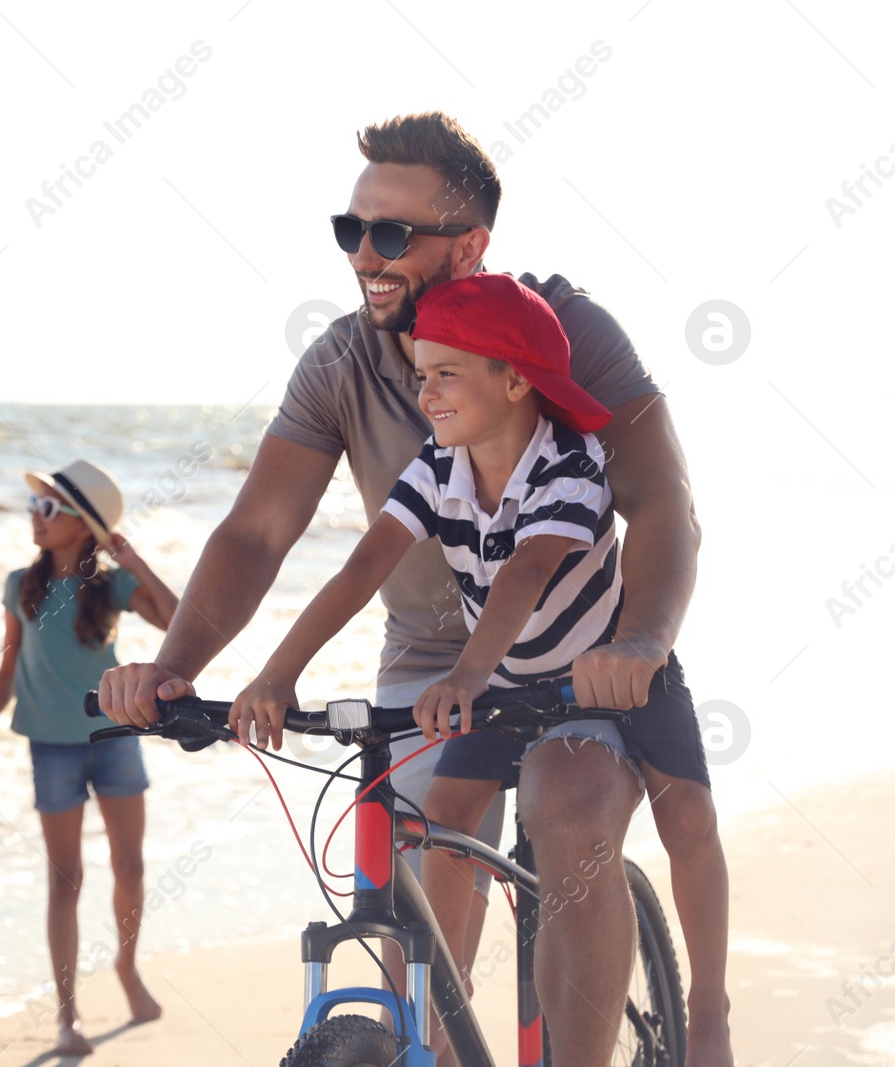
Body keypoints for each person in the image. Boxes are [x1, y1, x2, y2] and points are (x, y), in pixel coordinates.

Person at [100, 111, 731, 1066]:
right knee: (420, 870)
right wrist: (177, 669)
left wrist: (640, 642)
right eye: (351, 230)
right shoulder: (341, 362)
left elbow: (663, 504)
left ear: (471, 244)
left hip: (577, 648)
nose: (365, 254)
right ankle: (433, 1042)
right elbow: (260, 530)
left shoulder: (562, 333)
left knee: (573, 806)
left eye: (392, 233)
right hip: (428, 655)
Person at [232, 273, 704, 1057]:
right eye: (420, 375)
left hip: (584, 679)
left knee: (625, 822)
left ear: (515, 379)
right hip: (506, 675)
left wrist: (468, 674)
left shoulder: (571, 466)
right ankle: (435, 1033)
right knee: (436, 828)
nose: (428, 392)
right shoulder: (437, 463)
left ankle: (696, 1015)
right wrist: (276, 675)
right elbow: (362, 567)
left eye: (446, 373)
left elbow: (523, 573)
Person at [0, 460, 178, 1056]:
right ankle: (68, 1015)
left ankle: (127, 967)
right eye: (33, 506)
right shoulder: (21, 585)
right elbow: (9, 669)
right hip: (50, 748)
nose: (34, 516)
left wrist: (133, 559)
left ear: (82, 526)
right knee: (65, 881)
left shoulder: (111, 586)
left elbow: (178, 619)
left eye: (48, 507)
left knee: (131, 869)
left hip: (114, 738)